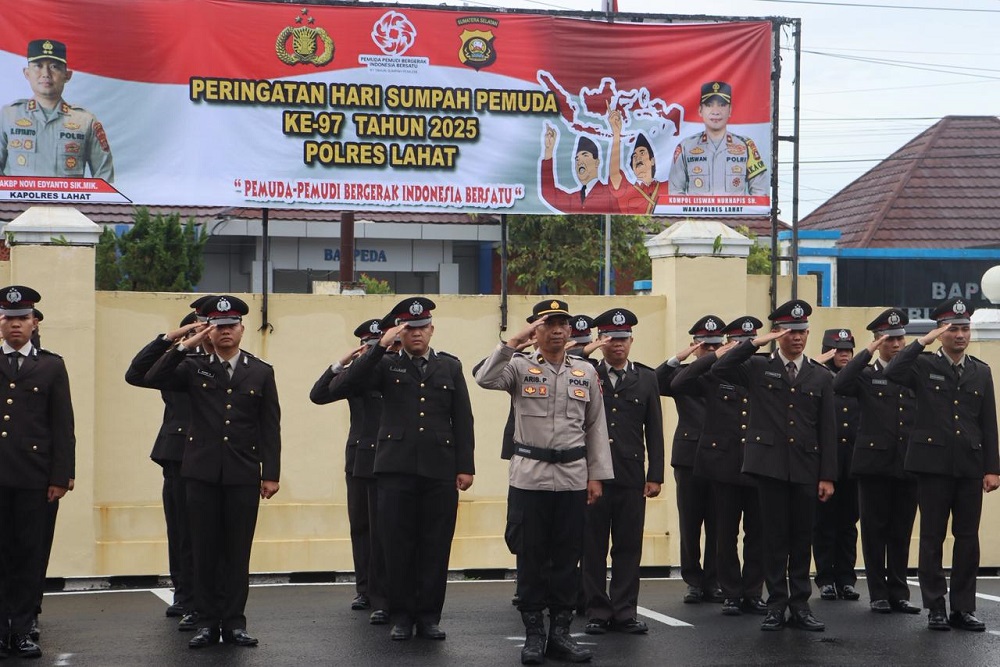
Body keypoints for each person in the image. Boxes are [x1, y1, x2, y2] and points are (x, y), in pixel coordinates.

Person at [326, 297, 475, 642]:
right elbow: (342, 386)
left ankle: (429, 616)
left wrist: (465, 466)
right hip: (395, 468)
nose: (416, 334)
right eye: (409, 329)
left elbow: (462, 419)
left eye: (422, 328)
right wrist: (378, 347)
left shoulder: (449, 366)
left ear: (432, 329)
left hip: (439, 469)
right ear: (399, 332)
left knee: (435, 545)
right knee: (396, 545)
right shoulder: (384, 365)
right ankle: (402, 616)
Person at [475, 299, 613, 665]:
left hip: (572, 478)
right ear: (536, 330)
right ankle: (534, 635)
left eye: (562, 324)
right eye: (548, 324)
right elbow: (484, 378)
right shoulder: (519, 366)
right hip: (530, 478)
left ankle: (561, 634)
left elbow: (596, 426)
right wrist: (512, 342)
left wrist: (597, 476)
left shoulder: (584, 371)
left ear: (570, 330)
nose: (556, 331)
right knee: (531, 557)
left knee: (568, 558)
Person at [138, 295, 281, 649]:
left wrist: (271, 473)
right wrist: (184, 343)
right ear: (208, 331)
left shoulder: (261, 371)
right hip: (200, 474)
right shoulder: (192, 367)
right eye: (218, 326)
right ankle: (206, 622)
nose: (225, 331)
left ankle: (234, 623)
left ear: (242, 329)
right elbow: (148, 375)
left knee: (236, 553)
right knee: (203, 551)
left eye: (231, 325)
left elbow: (269, 426)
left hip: (242, 473)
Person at [711, 299, 836, 632]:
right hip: (770, 467)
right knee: (774, 538)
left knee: (802, 539)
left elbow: (827, 428)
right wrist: (754, 342)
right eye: (790, 332)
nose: (797, 338)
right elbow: (719, 369)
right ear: (778, 333)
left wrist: (827, 476)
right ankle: (776, 604)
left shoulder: (820, 375)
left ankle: (801, 605)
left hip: (806, 467)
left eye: (801, 332)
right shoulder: (757, 366)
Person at [884, 297, 1000, 632]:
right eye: (953, 329)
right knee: (932, 537)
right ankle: (935, 605)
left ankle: (963, 607)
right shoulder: (922, 365)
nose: (960, 335)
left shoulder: (981, 371)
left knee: (967, 539)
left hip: (969, 465)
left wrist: (992, 468)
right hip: (932, 465)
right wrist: (922, 341)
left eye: (965, 328)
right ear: (941, 331)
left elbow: (988, 422)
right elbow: (893, 371)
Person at [668, 316, 767, 616]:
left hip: (756, 463)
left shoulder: (764, 370)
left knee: (757, 534)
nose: (743, 347)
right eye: (738, 342)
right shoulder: (712, 373)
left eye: (749, 341)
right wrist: (709, 357)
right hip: (721, 464)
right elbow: (676, 383)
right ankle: (729, 591)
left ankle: (752, 591)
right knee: (722, 533)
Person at [0, 286, 75, 659]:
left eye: (22, 318)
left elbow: (62, 425)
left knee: (30, 555)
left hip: (35, 478)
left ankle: (22, 629)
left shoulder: (51, 365)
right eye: (9, 318)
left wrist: (61, 477)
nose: (16, 324)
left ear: (34, 323)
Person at [580, 308, 664, 636]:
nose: (618, 344)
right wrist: (587, 350)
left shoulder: (646, 378)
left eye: (623, 339)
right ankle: (597, 611)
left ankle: (625, 610)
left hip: (631, 476)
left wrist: (655, 474)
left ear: (631, 340)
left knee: (628, 546)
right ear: (601, 341)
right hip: (594, 476)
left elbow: (654, 429)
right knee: (593, 547)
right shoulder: (586, 372)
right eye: (611, 339)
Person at [832, 308, 920, 615]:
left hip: (907, 464)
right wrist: (866, 353)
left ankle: (899, 592)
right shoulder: (866, 375)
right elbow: (839, 384)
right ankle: (878, 593)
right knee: (874, 532)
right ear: (877, 341)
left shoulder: (913, 374)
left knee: (901, 532)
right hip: (873, 466)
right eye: (888, 339)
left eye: (900, 338)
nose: (896, 344)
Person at [309, 318, 389, 625]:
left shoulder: (395, 370)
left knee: (386, 529)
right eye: (368, 345)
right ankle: (365, 589)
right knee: (362, 527)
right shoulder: (356, 376)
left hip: (391, 458)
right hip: (360, 459)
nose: (373, 350)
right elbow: (318, 394)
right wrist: (341, 363)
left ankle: (387, 590)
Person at [124, 312, 200, 627]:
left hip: (215, 454)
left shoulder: (227, 362)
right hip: (177, 454)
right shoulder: (174, 364)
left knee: (211, 531)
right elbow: (136, 373)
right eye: (198, 327)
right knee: (180, 529)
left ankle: (210, 595)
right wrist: (170, 339)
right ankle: (184, 593)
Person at [656, 315, 725, 604]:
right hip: (689, 457)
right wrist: (678, 357)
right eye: (705, 346)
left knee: (719, 523)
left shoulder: (730, 372)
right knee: (690, 522)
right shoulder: (683, 374)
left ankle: (714, 580)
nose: (711, 351)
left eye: (715, 346)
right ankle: (693, 581)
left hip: (721, 457)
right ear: (695, 345)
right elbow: (656, 383)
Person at [0, 39, 113, 180]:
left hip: (69, 196)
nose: (46, 73)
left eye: (54, 66)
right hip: (20, 195)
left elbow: (104, 175)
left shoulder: (85, 121)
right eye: (38, 66)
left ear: (67, 75)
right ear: (27, 73)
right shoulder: (8, 116)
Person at [812, 329, 861, 603]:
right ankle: (825, 579)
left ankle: (846, 579)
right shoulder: (820, 378)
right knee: (824, 524)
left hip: (852, 463)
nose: (844, 355)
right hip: (825, 465)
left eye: (847, 350)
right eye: (838, 350)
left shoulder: (858, 379)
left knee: (848, 524)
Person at [668, 81, 766, 196]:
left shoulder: (746, 146)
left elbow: (760, 192)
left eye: (722, 105)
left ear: (730, 110)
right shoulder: (686, 147)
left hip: (735, 209)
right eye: (709, 105)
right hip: (697, 209)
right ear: (700, 110)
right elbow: (675, 193)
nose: (715, 112)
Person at [539, 125, 619, 213]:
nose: (580, 161)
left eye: (585, 155)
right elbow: (550, 195)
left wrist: (616, 134)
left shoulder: (609, 193)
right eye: (577, 159)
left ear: (597, 162)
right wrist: (549, 150)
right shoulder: (575, 199)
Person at [608, 108, 661, 214]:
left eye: (642, 153)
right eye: (634, 156)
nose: (637, 158)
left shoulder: (667, 186)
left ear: (652, 161)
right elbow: (614, 175)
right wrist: (617, 134)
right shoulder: (627, 190)